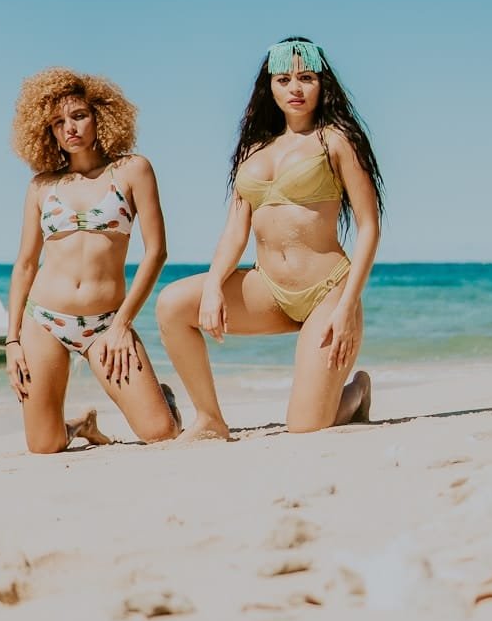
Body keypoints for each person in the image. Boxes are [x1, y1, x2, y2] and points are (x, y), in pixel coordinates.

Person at [156, 37, 384, 438]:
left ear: (321, 84)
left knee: (306, 426)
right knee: (173, 304)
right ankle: (210, 420)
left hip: (327, 293)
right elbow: (235, 230)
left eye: (306, 77)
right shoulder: (253, 151)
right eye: (283, 79)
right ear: (270, 86)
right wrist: (212, 285)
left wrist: (347, 306)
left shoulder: (335, 141)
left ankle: (355, 392)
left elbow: (369, 227)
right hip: (269, 288)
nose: (295, 88)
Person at [7, 67, 181, 453]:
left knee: (160, 432)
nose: (69, 128)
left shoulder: (132, 170)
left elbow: (156, 252)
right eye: (57, 122)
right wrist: (12, 341)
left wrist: (122, 325)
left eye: (79, 116)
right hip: (45, 321)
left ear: (101, 115)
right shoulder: (42, 186)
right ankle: (81, 424)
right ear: (47, 131)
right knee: (45, 446)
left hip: (106, 324)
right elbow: (24, 265)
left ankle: (162, 398)